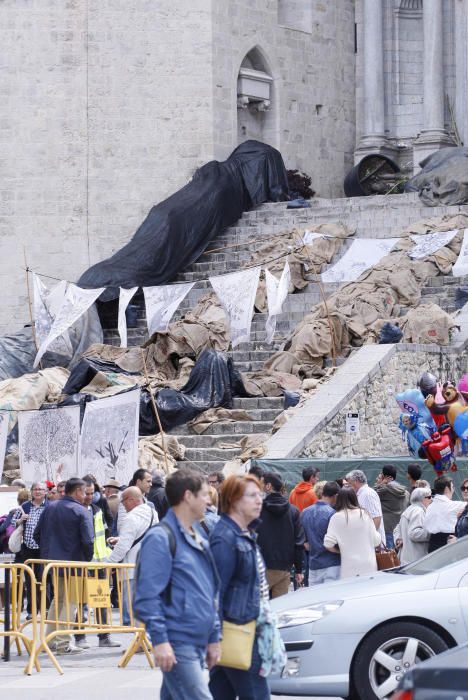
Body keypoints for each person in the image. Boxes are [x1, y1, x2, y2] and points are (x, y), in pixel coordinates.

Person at [133, 469, 221, 700]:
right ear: (188, 496)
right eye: (204, 494)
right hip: (178, 641)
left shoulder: (198, 537)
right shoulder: (160, 538)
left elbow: (209, 592)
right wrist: (160, 641)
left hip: (196, 639)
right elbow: (147, 597)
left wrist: (214, 637)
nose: (209, 500)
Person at [209, 474, 278, 700]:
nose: (260, 500)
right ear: (234, 500)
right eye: (252, 495)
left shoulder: (244, 534)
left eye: (260, 494)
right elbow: (215, 592)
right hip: (237, 632)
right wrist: (214, 638)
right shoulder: (226, 538)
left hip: (243, 630)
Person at [34, 477, 94, 655]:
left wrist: (48, 552)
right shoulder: (81, 511)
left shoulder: (49, 507)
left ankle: (51, 640)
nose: (85, 495)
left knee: (58, 601)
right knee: (70, 602)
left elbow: (37, 534)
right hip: (73, 563)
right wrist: (86, 559)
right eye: (84, 492)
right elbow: (88, 541)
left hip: (51, 562)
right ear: (77, 492)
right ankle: (63, 642)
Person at [74, 479, 121, 649]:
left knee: (101, 601)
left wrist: (108, 557)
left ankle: (104, 636)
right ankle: (80, 637)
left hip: (99, 563)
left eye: (92, 493)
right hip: (81, 564)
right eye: (86, 493)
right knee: (81, 602)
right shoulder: (75, 511)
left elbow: (103, 535)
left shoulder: (97, 510)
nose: (89, 496)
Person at [103, 486, 156, 625]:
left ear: (132, 500)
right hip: (149, 566)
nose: (122, 504)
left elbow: (123, 547)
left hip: (132, 569)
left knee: (133, 609)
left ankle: (140, 643)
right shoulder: (152, 513)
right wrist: (120, 540)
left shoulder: (131, 518)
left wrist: (108, 564)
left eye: (124, 501)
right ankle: (144, 642)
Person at [256, 472, 304, 598]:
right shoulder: (293, 511)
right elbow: (298, 542)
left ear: (268, 486)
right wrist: (299, 569)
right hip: (284, 568)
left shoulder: (257, 509)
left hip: (261, 566)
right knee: (279, 609)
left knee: (259, 608)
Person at [324, 487, 381, 578]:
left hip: (349, 566)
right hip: (369, 564)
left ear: (339, 499)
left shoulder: (336, 517)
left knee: (351, 591)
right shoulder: (364, 514)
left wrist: (340, 551)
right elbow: (376, 540)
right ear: (355, 498)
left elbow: (328, 544)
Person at [12, 481, 49, 618]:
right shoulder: (25, 506)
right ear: (31, 491)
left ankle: (45, 609)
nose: (38, 491)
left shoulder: (50, 506)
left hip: (44, 549)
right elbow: (12, 522)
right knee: (29, 580)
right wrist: (20, 520)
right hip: (27, 548)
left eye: (41, 489)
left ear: (45, 492)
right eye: (35, 489)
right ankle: (31, 611)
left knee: (45, 580)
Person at [301, 481, 341, 584]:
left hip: (313, 564)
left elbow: (305, 544)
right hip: (332, 563)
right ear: (336, 496)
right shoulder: (333, 514)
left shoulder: (305, 512)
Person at [424, 475, 465, 552]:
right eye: (452, 487)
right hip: (449, 543)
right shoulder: (456, 505)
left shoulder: (430, 507)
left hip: (432, 545)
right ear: (447, 488)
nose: (453, 490)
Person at [345, 469, 385, 547]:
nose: (348, 486)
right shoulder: (362, 493)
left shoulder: (368, 494)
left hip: (373, 544)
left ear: (355, 481)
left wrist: (368, 538)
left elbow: (376, 518)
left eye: (349, 483)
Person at [393, 487, 431, 565]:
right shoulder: (418, 511)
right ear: (422, 499)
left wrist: (398, 539)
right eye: (429, 497)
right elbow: (414, 534)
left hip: (405, 559)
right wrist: (432, 532)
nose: (431, 500)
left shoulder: (408, 510)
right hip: (416, 560)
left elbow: (397, 529)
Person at [374, 465, 409, 548]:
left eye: (381, 475)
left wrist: (381, 484)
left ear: (387, 477)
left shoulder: (384, 490)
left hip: (387, 527)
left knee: (389, 557)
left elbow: (372, 495)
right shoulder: (403, 490)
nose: (377, 478)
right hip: (399, 526)